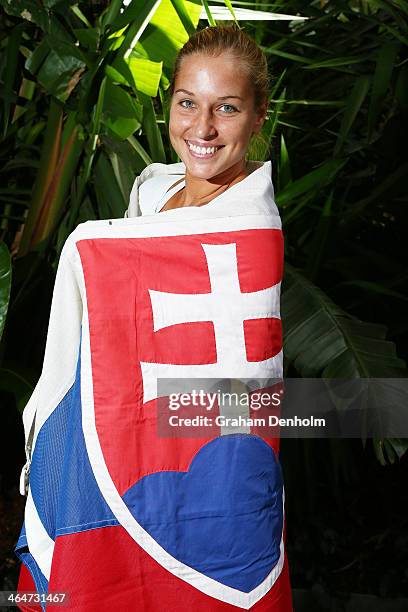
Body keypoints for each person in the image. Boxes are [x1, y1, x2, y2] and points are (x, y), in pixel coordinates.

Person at [15, 24, 292, 612]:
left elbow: (244, 397)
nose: (203, 128)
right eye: (188, 103)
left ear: (260, 115)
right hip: (131, 451)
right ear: (170, 100)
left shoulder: (251, 230)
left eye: (228, 108)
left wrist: (89, 246)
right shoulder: (154, 196)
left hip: (217, 474)